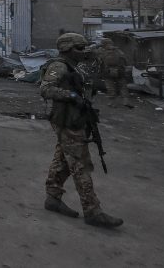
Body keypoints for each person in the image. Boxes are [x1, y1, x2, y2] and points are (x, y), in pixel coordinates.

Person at [40, 32, 123, 228]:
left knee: (63, 159)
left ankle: (52, 197)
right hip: (66, 121)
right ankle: (92, 211)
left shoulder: (72, 66)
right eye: (79, 48)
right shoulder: (58, 66)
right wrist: (71, 95)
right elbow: (45, 89)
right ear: (67, 48)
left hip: (74, 120)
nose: (82, 52)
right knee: (80, 164)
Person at [96, 38, 132, 108]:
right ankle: (126, 101)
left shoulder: (101, 51)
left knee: (110, 87)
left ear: (104, 44)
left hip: (107, 72)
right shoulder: (118, 50)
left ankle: (112, 102)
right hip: (120, 71)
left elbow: (98, 60)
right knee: (123, 87)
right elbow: (125, 60)